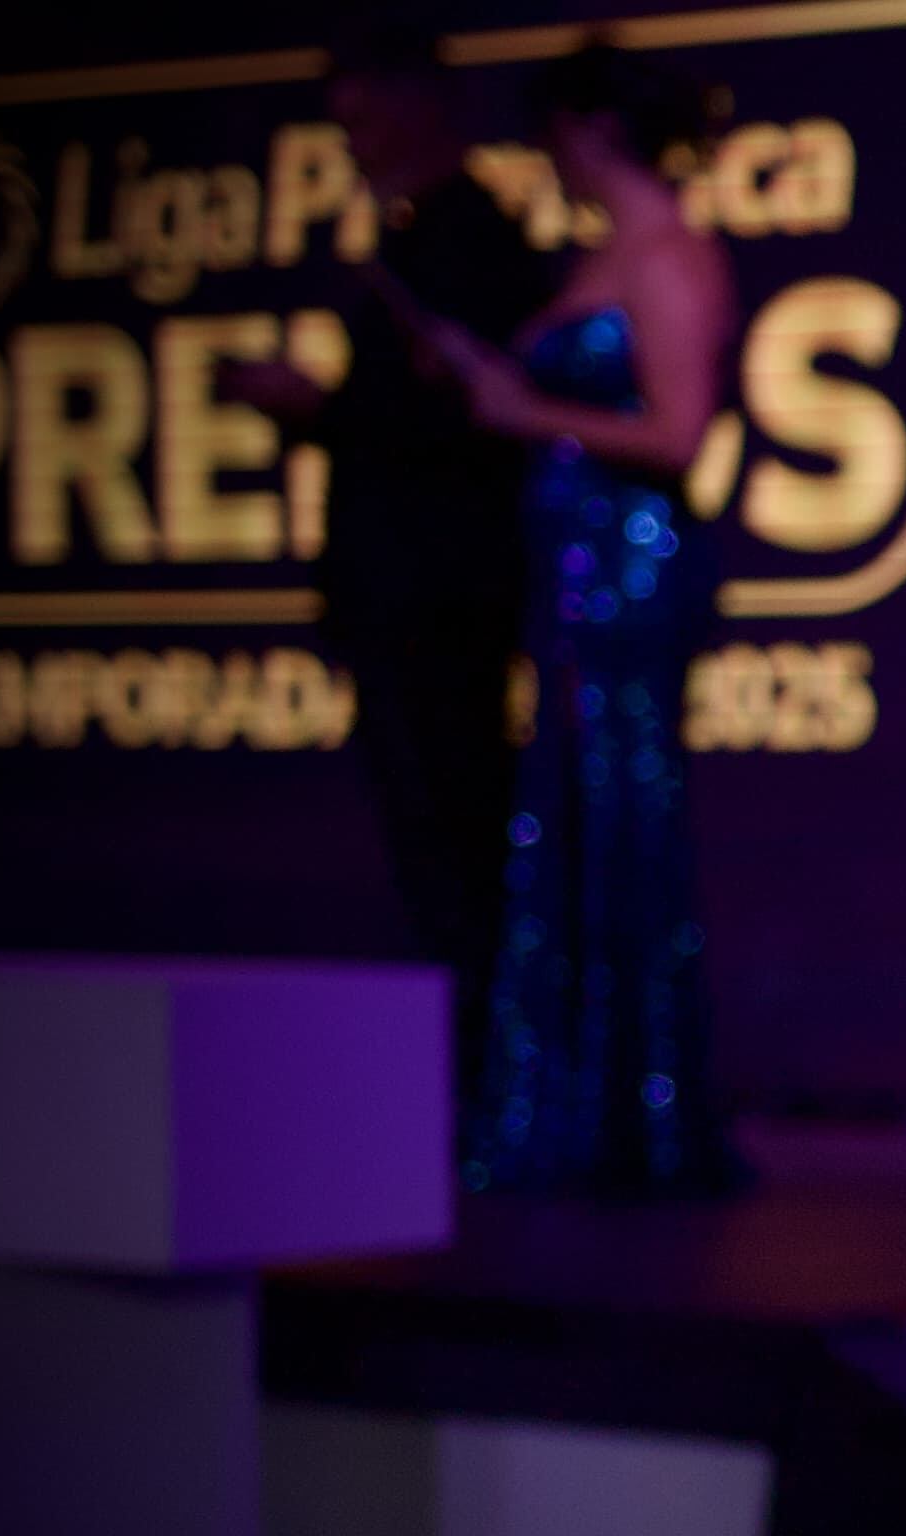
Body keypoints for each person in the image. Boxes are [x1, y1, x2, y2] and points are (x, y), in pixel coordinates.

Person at [221, 32, 552, 1129]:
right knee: (435, 843)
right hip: (405, 591)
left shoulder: (466, 236)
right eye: (341, 122)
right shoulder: (412, 233)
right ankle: (477, 1081)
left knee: (458, 839)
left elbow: (474, 420)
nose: (352, 141)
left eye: (364, 117)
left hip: (439, 596)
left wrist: (323, 409)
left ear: (422, 104)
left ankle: (490, 1086)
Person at [429, 42, 736, 1197]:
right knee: (563, 821)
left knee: (621, 818)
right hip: (565, 570)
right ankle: (570, 1106)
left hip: (628, 568)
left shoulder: (668, 253)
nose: (545, 155)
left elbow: (678, 433)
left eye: (553, 132)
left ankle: (635, 1114)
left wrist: (524, 410)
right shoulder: (600, 254)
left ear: (595, 127)